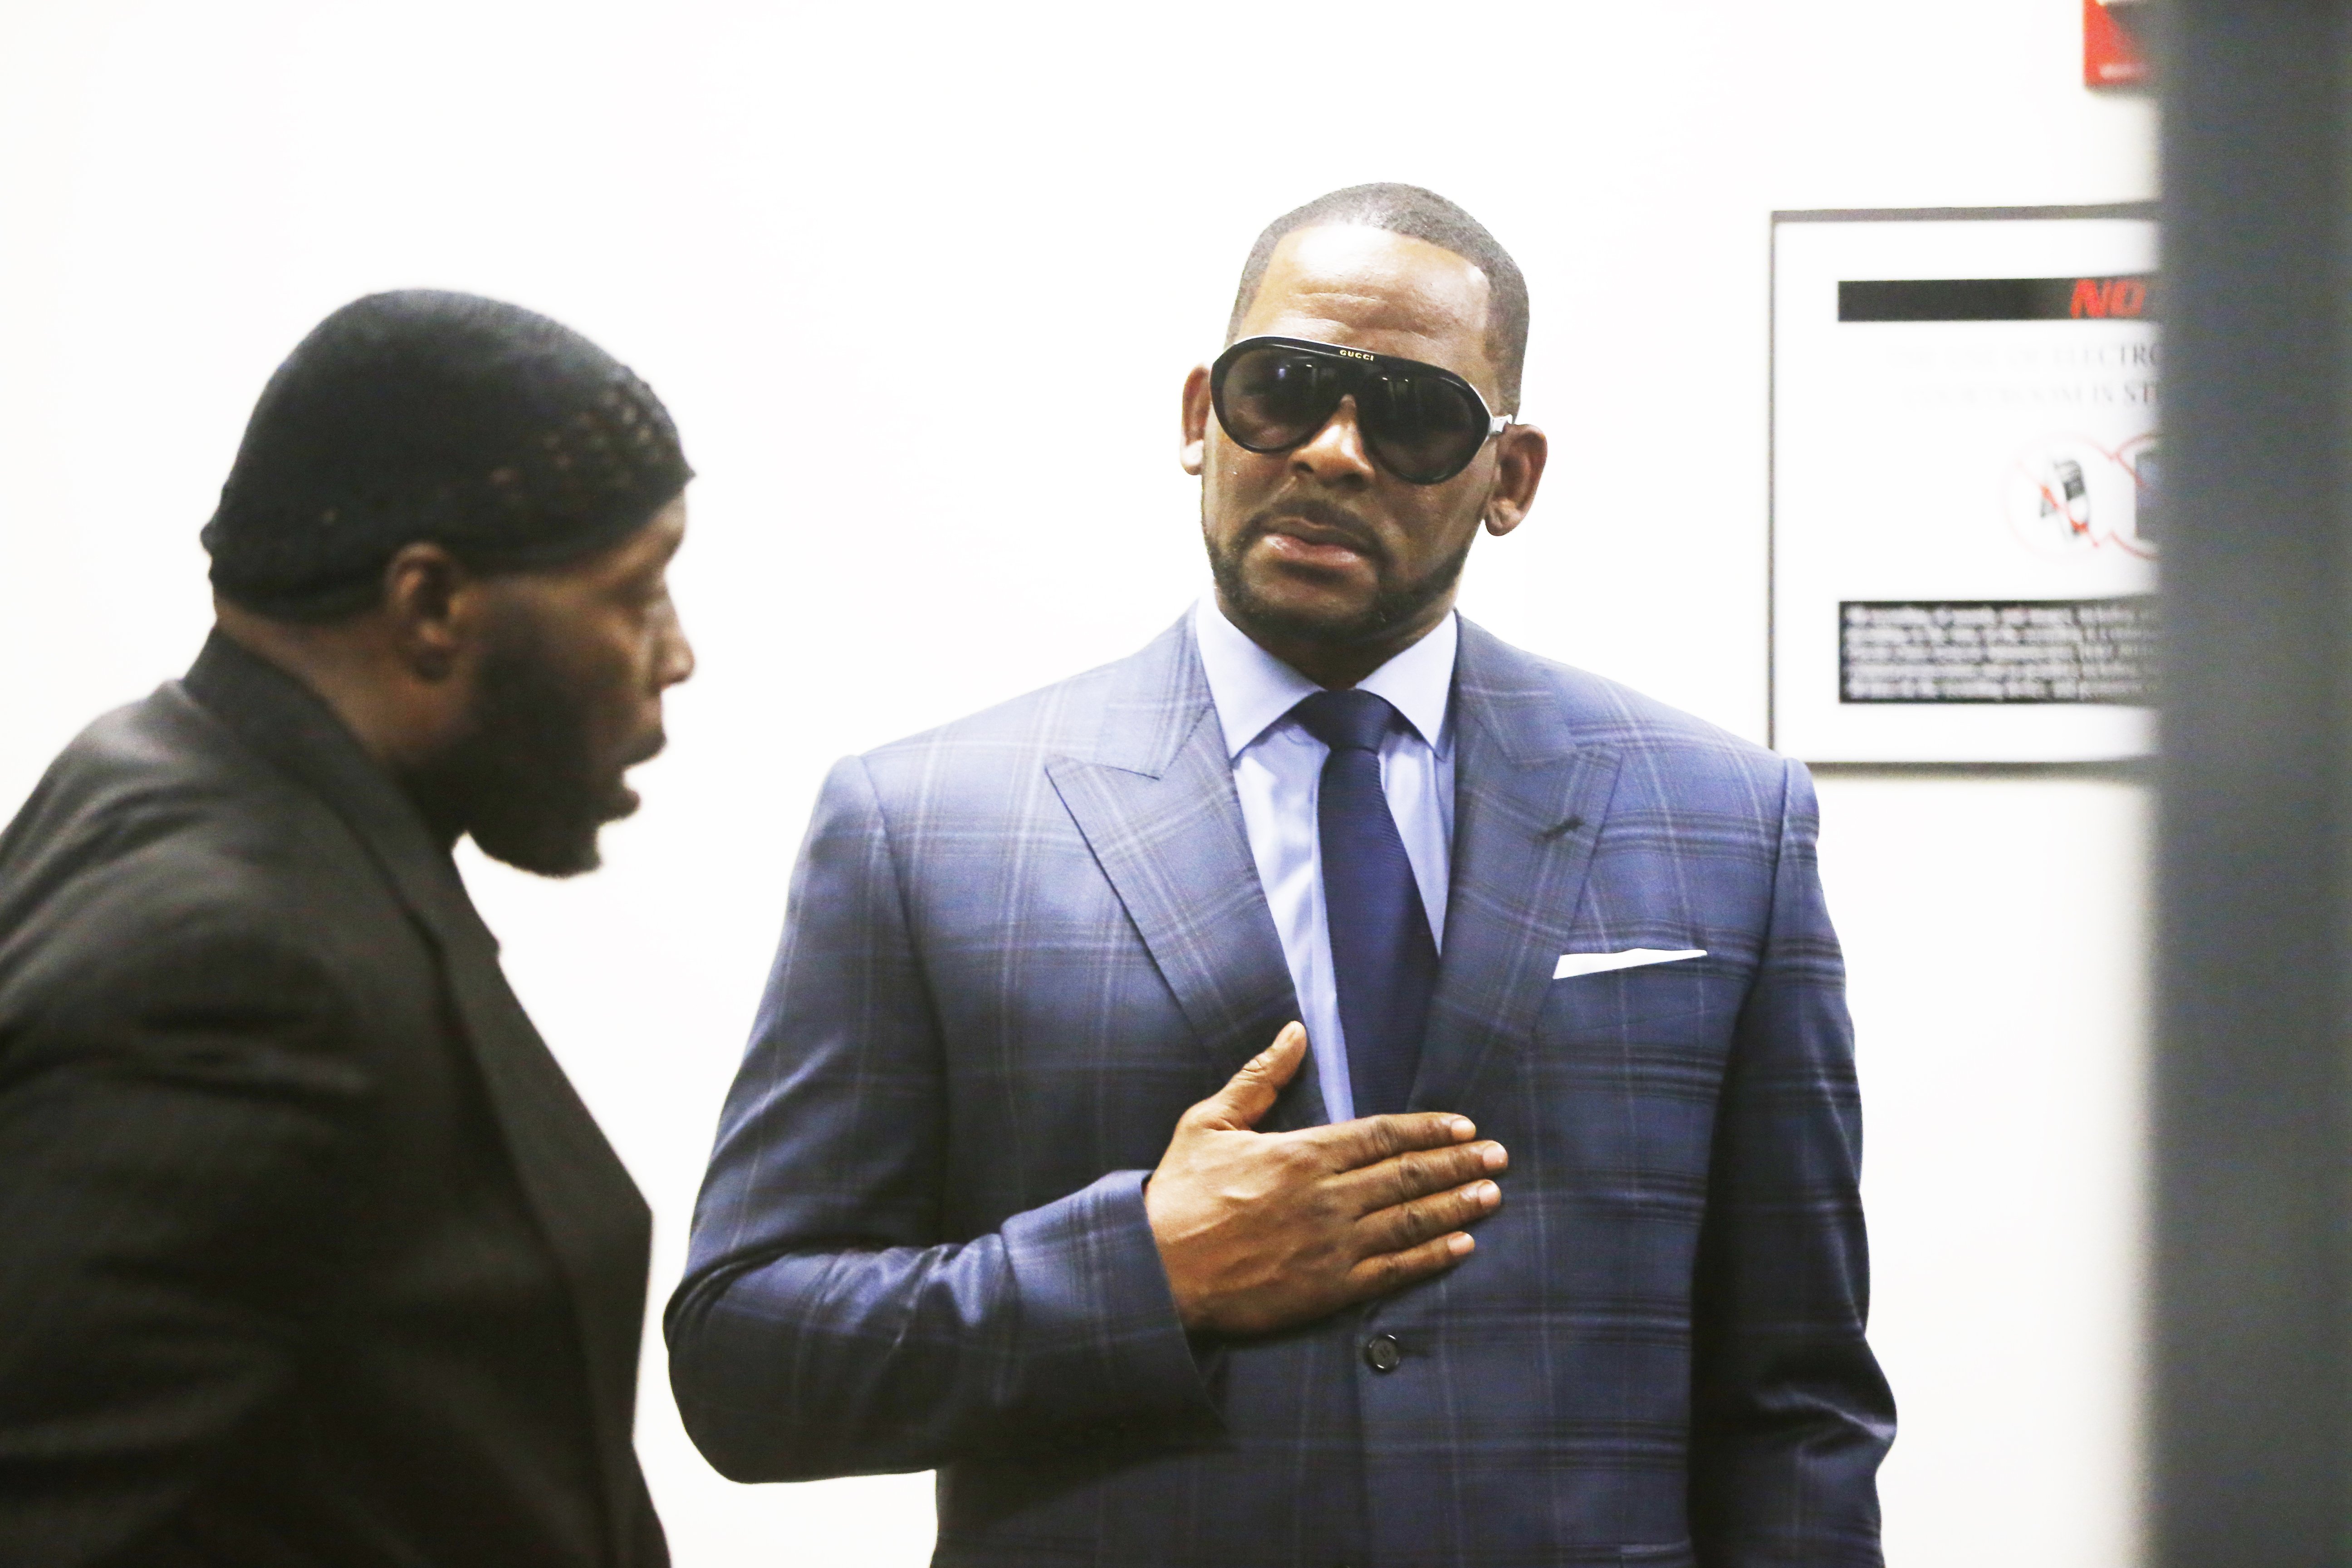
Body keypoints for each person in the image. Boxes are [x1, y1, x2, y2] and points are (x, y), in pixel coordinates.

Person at [669, 184, 1894, 1566]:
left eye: (1414, 417)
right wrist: (1143, 1274)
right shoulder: (924, 828)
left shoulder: (1725, 823)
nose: (1331, 452)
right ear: (1199, 417)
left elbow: (1797, 1402)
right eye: (1283, 390)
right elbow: (746, 1359)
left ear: (1512, 479)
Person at [0, 291, 694, 1566]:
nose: (678, 655)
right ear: (431, 604)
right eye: (636, 593)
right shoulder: (237, 968)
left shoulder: (169, 770)